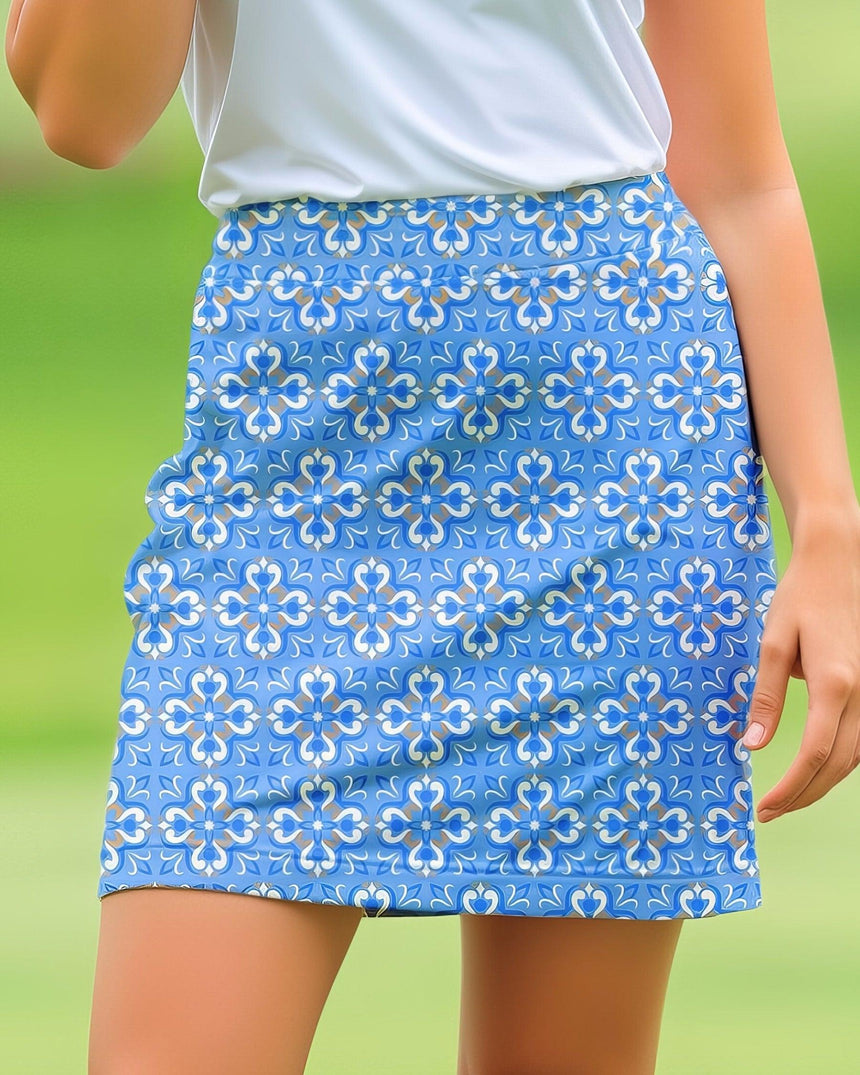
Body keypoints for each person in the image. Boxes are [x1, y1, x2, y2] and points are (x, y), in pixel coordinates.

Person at [7, 2, 860, 1073]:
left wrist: (827, 525)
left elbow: (738, 175)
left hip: (608, 448)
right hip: (295, 457)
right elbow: (82, 116)